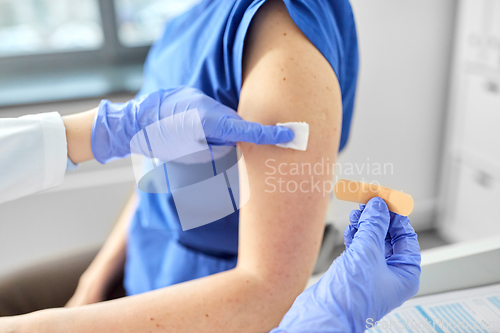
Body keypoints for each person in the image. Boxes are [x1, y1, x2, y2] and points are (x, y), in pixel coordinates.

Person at [0, 0, 422, 331]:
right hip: (147, 258)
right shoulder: (186, 21)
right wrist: (95, 278)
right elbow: (163, 176)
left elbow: (264, 293)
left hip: (202, 295)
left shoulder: (283, 33)